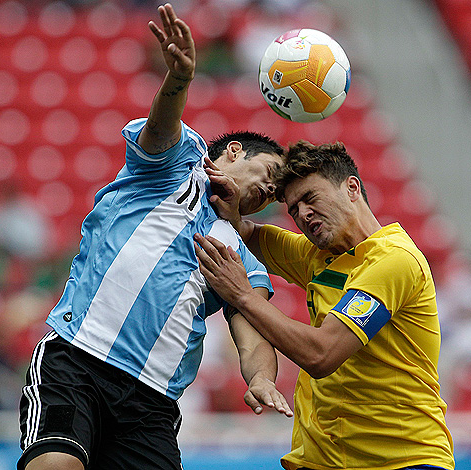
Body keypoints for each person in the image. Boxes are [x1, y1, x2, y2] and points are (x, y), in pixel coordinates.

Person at [17, 4, 291, 470]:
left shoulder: (243, 257)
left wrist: (262, 377)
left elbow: (251, 331)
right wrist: (179, 80)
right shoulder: (176, 167)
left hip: (151, 402)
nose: (270, 189)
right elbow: (161, 127)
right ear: (234, 151)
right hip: (80, 359)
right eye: (269, 173)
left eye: (275, 193)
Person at [195, 140, 455, 470]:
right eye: (293, 209)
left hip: (401, 460)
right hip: (322, 462)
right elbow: (242, 232)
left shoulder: (393, 261)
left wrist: (244, 295)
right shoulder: (320, 257)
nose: (302, 214)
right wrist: (229, 200)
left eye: (310, 199)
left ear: (351, 188)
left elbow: (321, 355)